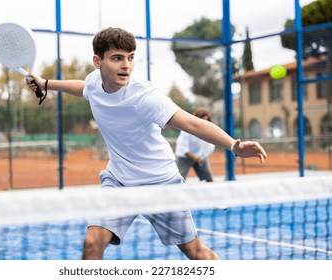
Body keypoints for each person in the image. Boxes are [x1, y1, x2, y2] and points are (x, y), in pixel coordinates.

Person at [26, 27, 267, 260]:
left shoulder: (144, 96)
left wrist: (234, 146)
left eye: (130, 58)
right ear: (97, 62)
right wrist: (46, 84)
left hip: (161, 183)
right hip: (119, 181)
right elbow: (84, 88)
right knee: (91, 243)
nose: (126, 65)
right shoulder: (93, 82)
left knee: (195, 252)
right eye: (117, 58)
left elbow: (192, 123)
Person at [175, 108, 215, 182]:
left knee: (209, 179)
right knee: (177, 180)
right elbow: (185, 150)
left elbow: (211, 146)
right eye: (203, 120)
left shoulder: (207, 131)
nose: (205, 123)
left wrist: (202, 157)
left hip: (199, 157)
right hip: (183, 157)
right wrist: (196, 159)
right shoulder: (186, 130)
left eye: (207, 120)